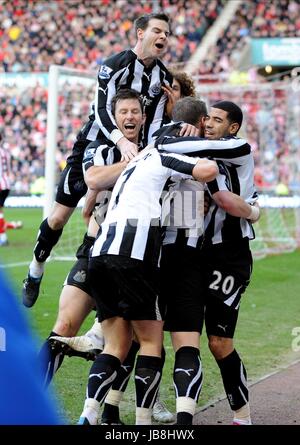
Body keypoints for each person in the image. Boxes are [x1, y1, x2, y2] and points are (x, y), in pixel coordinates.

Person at [38, 89, 173, 424]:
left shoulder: (156, 149)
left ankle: (109, 411)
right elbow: (93, 179)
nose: (129, 117)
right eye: (122, 112)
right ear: (114, 119)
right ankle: (34, 398)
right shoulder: (100, 148)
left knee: (131, 337)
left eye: (134, 112)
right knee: (65, 325)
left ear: (143, 117)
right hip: (95, 250)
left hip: (138, 251)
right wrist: (133, 162)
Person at [22, 12, 175, 308]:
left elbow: (155, 121)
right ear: (140, 33)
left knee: (108, 218)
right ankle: (35, 269)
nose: (164, 37)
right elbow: (102, 110)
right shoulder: (113, 66)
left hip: (131, 153)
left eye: (167, 33)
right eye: (158, 30)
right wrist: (120, 140)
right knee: (58, 217)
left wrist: (149, 150)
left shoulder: (163, 77)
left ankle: (96, 295)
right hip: (94, 144)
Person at [77, 129, 218, 425]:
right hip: (135, 254)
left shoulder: (132, 161)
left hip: (100, 254)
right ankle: (144, 423)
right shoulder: (163, 154)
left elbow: (88, 208)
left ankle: (89, 414)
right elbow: (207, 172)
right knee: (152, 342)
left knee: (117, 345)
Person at [156, 99, 258, 425]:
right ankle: (180, 410)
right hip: (201, 253)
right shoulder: (207, 155)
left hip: (232, 256)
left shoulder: (238, 147)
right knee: (189, 336)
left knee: (219, 342)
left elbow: (161, 144)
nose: (209, 124)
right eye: (207, 119)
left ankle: (243, 415)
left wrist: (253, 211)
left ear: (232, 127)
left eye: (217, 120)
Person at [0, 132, 22, 247]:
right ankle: (11, 226)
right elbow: (8, 170)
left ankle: (3, 238)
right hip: (6, 183)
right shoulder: (6, 152)